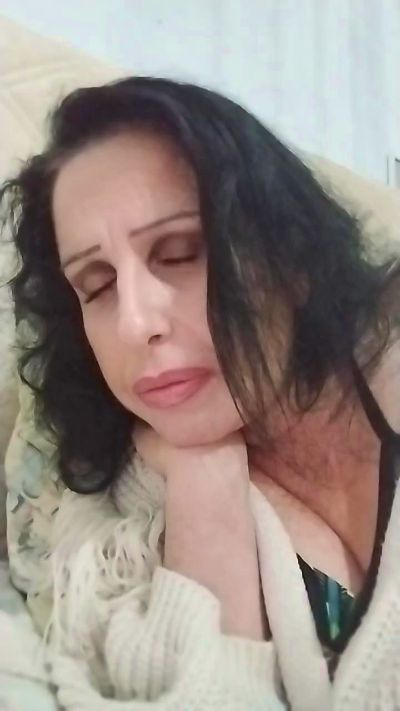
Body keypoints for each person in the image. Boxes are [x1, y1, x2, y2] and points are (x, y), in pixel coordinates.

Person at [1, 76, 400, 710]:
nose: (135, 324)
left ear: (292, 257)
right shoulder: (126, 524)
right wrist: (205, 485)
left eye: (181, 253)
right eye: (97, 285)